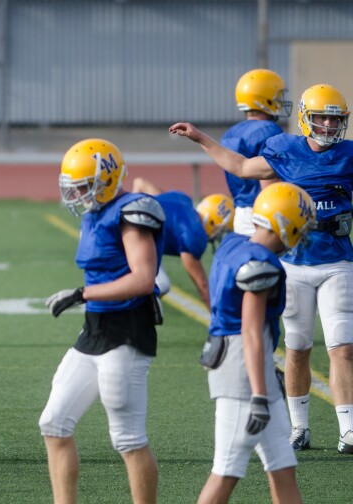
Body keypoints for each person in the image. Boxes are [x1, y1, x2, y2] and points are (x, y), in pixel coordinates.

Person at [169, 83, 353, 454]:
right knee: (297, 346)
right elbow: (239, 165)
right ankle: (299, 427)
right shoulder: (287, 149)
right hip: (293, 261)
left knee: (343, 347)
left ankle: (349, 430)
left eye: (335, 120)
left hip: (337, 261)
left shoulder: (349, 154)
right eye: (321, 117)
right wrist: (200, 137)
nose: (329, 126)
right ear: (305, 117)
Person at [39, 138, 165, 504]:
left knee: (127, 438)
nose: (76, 194)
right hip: (95, 330)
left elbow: (143, 279)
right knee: (54, 422)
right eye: (72, 187)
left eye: (83, 186)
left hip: (128, 330)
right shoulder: (95, 213)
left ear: (107, 178)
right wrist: (86, 298)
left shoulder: (131, 211)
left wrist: (81, 294)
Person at [197, 182, 313, 504]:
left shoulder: (234, 243)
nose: (301, 234)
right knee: (226, 472)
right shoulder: (260, 264)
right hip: (241, 374)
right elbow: (250, 330)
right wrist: (259, 393)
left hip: (249, 365)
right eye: (299, 226)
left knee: (283, 468)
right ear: (285, 224)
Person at [221, 69, 291, 235]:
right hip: (263, 212)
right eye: (276, 95)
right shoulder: (269, 130)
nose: (280, 101)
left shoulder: (231, 132)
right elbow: (268, 186)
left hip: (240, 213)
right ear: (264, 98)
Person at [131, 177, 212, 309]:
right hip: (131, 241)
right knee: (161, 284)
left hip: (136, 237)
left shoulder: (183, 199)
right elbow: (202, 285)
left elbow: (139, 182)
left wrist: (134, 209)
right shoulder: (194, 234)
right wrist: (220, 324)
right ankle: (126, 312)